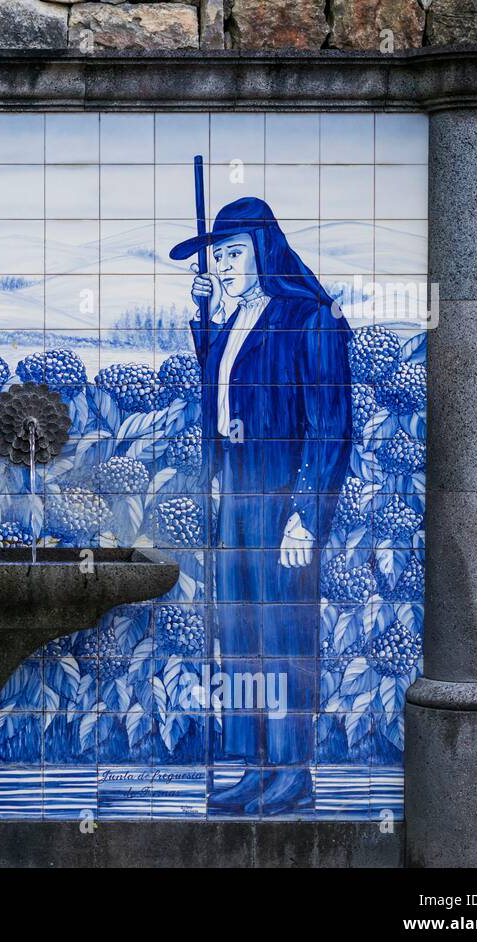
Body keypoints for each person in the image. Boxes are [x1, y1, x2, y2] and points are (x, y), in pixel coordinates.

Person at [169, 197, 352, 815]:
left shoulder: (310, 320)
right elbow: (218, 389)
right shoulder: (229, 318)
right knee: (240, 632)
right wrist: (209, 321)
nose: (220, 264)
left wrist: (305, 514)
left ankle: (292, 769)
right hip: (236, 492)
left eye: (231, 253)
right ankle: (253, 764)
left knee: (285, 634)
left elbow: (330, 428)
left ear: (264, 252)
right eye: (215, 255)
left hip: (282, 495)